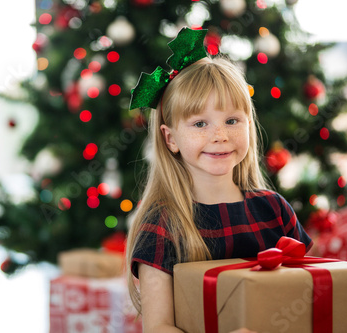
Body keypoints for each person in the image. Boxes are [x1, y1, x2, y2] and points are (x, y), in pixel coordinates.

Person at [125, 28, 312, 333]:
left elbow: (308, 290)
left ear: (249, 125)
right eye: (200, 123)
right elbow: (158, 327)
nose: (220, 136)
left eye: (232, 121)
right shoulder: (163, 224)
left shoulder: (274, 209)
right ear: (170, 138)